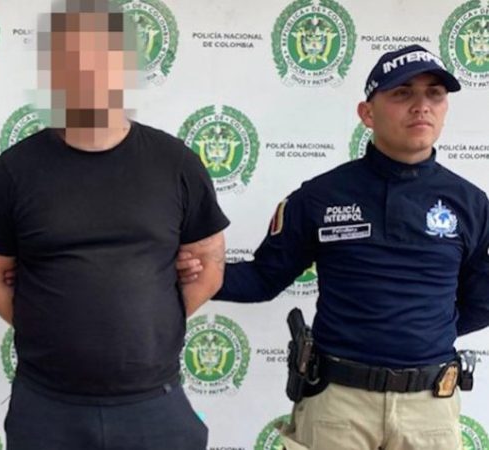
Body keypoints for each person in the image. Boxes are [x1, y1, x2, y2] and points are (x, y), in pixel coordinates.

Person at [192, 44, 489, 450]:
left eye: (434, 94)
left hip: (429, 409)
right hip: (337, 406)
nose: (422, 105)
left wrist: (423, 332)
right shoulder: (320, 197)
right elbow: (262, 279)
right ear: (367, 113)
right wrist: (182, 269)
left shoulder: (471, 203)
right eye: (402, 92)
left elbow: (482, 300)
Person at [0, 1, 229, 449]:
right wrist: (48, 324)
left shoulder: (176, 163)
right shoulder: (14, 171)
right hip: (47, 406)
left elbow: (208, 264)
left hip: (155, 403)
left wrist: (150, 324)